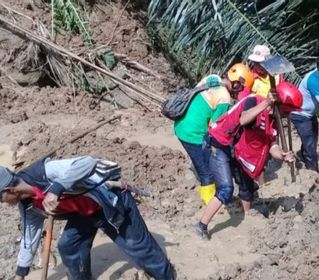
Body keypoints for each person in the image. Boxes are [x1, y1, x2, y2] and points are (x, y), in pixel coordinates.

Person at [0, 156, 175, 280]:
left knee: (137, 246)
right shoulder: (27, 206)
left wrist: (55, 190)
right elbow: (29, 239)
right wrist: (20, 274)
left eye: (1, 199)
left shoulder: (44, 172)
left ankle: (167, 276)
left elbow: (87, 163)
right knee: (69, 246)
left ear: (10, 190)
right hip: (83, 213)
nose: (3, 203)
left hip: (109, 202)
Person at [195, 81, 301, 240]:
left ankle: (248, 218)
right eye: (286, 112)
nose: (287, 117)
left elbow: (273, 145)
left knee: (247, 184)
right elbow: (243, 119)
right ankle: (202, 225)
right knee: (226, 189)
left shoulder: (274, 121)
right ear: (278, 105)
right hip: (220, 143)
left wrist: (283, 156)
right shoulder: (254, 101)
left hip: (237, 149)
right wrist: (266, 103)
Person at [174, 63, 254, 205]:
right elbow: (216, 128)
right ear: (236, 83)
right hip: (193, 134)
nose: (240, 91)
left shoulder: (211, 78)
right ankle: (210, 203)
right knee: (207, 173)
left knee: (204, 162)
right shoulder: (224, 98)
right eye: (241, 87)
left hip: (181, 124)